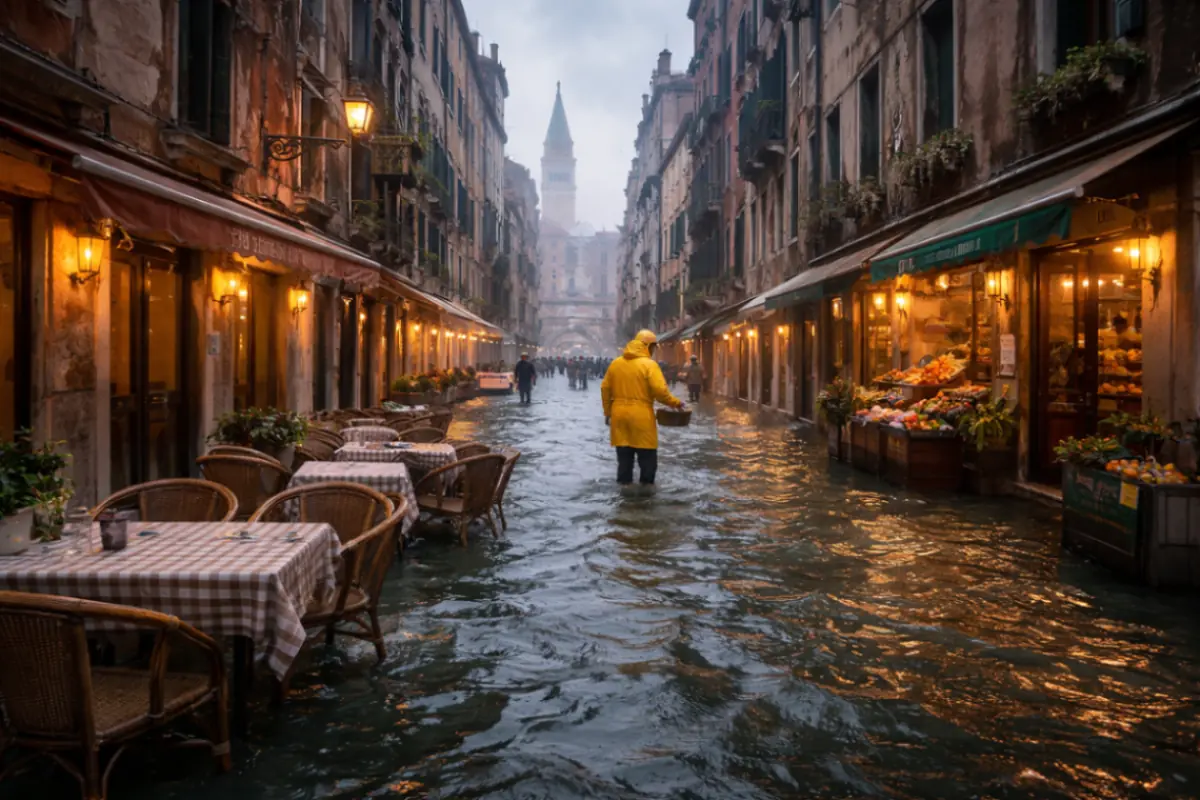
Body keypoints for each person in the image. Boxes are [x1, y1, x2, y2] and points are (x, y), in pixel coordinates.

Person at [601, 329, 684, 487]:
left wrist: (608, 412)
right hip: (641, 417)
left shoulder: (616, 363)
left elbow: (605, 389)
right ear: (649, 346)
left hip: (619, 416)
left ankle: (625, 497)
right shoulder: (649, 365)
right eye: (653, 347)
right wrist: (675, 403)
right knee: (647, 461)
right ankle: (645, 500)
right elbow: (660, 391)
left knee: (624, 462)